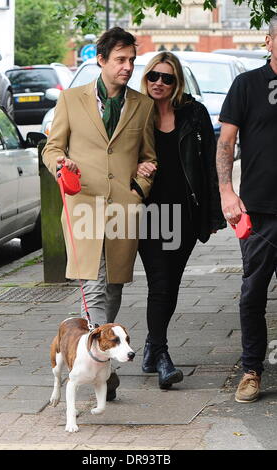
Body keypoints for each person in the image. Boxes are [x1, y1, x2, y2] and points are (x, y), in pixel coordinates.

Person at [42, 27, 157, 400]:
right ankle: (96, 369)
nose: (128, 67)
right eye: (120, 60)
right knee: (91, 287)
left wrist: (140, 187)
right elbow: (52, 146)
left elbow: (149, 157)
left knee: (113, 288)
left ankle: (99, 357)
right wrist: (62, 165)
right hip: (83, 208)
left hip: (123, 211)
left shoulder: (142, 104)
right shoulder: (72, 100)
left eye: (131, 61)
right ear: (101, 60)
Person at [137, 52, 226, 389]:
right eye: (153, 77)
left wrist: (213, 213)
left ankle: (150, 346)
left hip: (184, 216)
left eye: (167, 78)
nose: (159, 83)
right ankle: (161, 355)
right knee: (160, 281)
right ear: (146, 79)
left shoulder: (194, 113)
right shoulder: (135, 112)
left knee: (170, 284)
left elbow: (208, 166)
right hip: (148, 213)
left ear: (177, 82)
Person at [216, 16, 277, 403]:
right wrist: (226, 191)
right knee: (252, 293)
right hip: (259, 209)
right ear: (270, 41)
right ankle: (252, 370)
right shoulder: (247, 84)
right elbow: (226, 143)